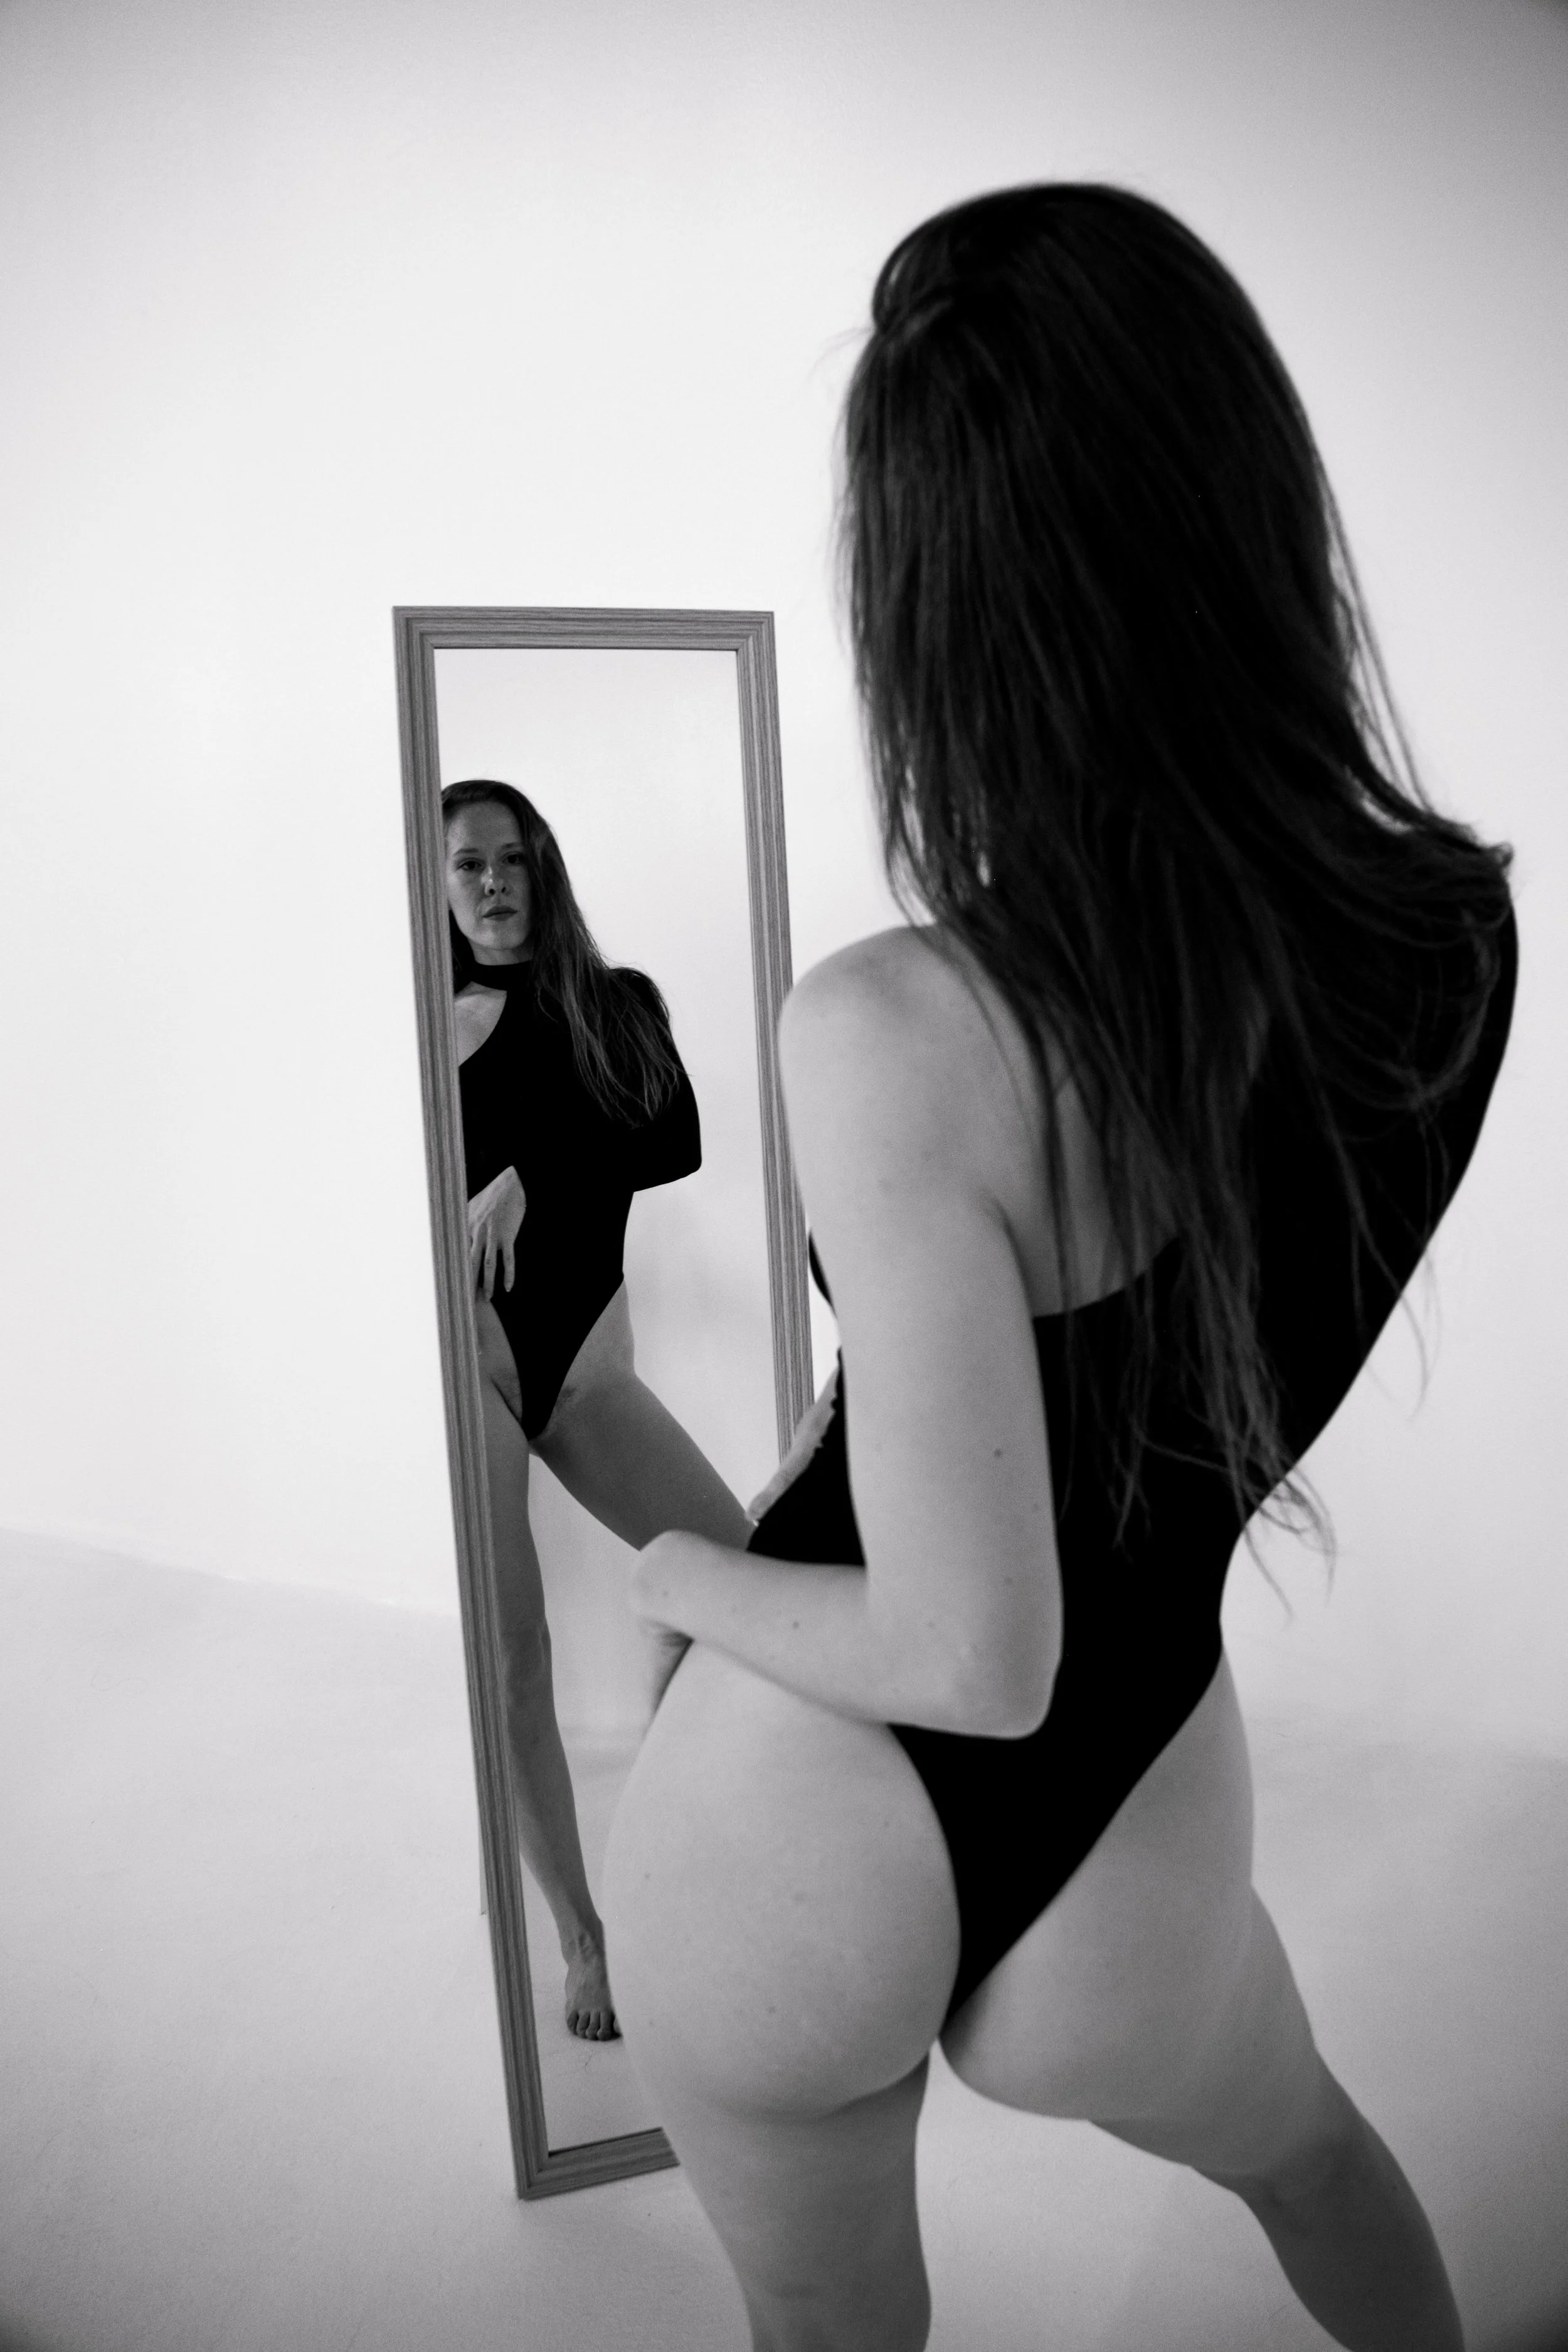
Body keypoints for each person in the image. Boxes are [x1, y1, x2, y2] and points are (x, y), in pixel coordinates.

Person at [600, 184, 1517, 2349]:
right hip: (1138, 1802)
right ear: (1250, 499)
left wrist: (682, 1572)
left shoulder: (898, 1028)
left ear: (932, 603)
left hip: (805, 1825)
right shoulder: (1450, 941)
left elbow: (964, 1646)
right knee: (1311, 2156)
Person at [443, 778, 754, 2041]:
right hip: (469, 1364)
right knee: (516, 1656)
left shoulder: (611, 1003)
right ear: (435, 885)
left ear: (545, 868)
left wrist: (531, 1171)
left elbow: (672, 1137)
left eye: (511, 858)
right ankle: (582, 1937)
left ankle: (698, 1830)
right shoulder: (413, 1033)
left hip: (581, 1366)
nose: (492, 882)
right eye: (466, 864)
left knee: (743, 1582)